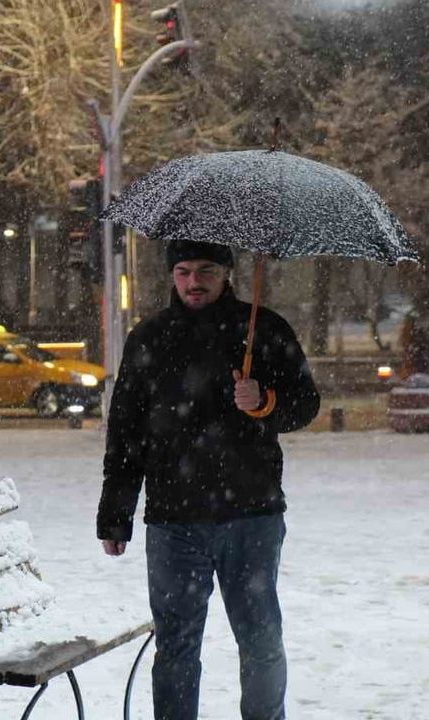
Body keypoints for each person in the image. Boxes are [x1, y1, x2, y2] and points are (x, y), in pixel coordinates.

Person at [98, 239, 320, 720]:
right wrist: (115, 514)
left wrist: (264, 401)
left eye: (205, 271)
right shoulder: (149, 339)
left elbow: (307, 403)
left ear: (227, 274)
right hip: (174, 521)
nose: (193, 282)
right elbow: (126, 433)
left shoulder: (263, 329)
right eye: (182, 271)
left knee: (260, 638)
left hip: (252, 514)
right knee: (176, 647)